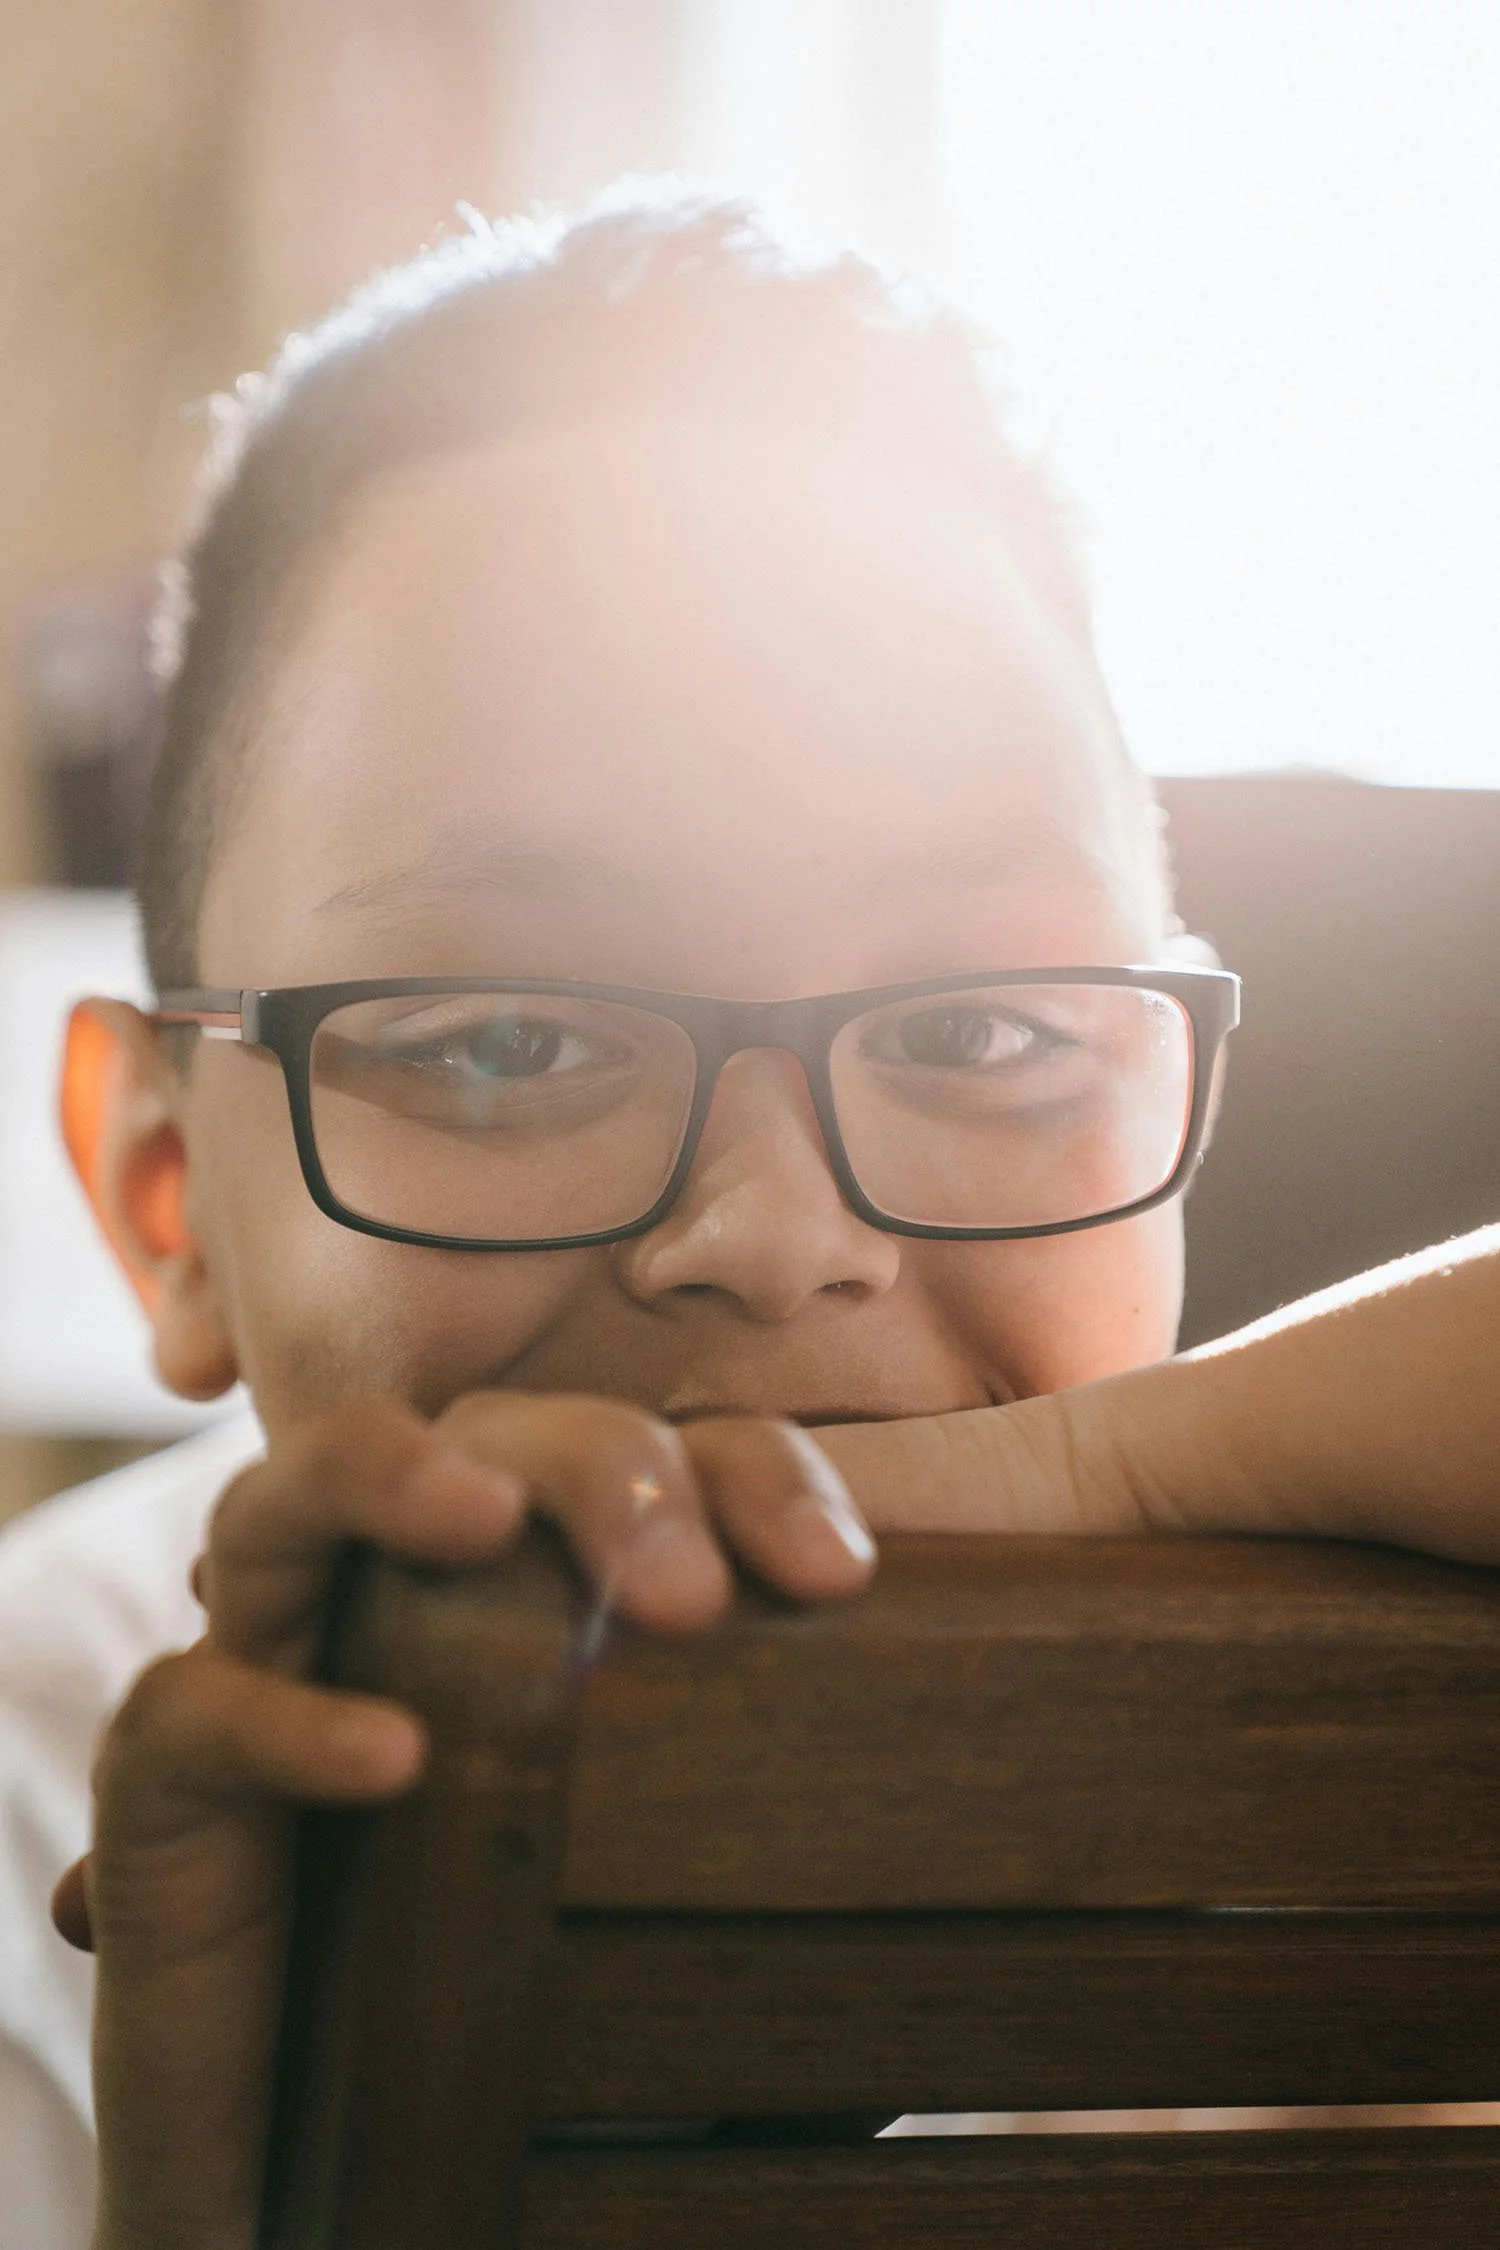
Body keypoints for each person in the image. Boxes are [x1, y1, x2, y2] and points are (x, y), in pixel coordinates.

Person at [0, 186, 1495, 2248]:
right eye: (508, 1043)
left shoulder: (1342, 1722)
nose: (778, 1238)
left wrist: (1095, 1469)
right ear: (167, 1194)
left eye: (979, 1025)